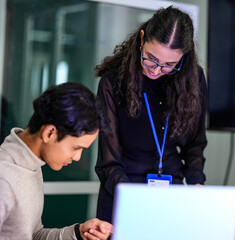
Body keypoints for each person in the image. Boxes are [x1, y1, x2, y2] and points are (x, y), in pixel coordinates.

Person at [94, 6, 207, 222]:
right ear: (142, 39)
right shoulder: (113, 81)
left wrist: (197, 185)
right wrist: (135, 201)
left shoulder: (193, 79)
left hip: (170, 196)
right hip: (122, 195)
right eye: (151, 59)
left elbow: (195, 145)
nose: (156, 70)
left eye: (169, 65)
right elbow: (108, 163)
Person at [0, 82, 113, 240]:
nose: (77, 158)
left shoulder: (32, 165)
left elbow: (33, 235)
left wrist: (78, 233)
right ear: (49, 133)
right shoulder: (4, 177)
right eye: (76, 148)